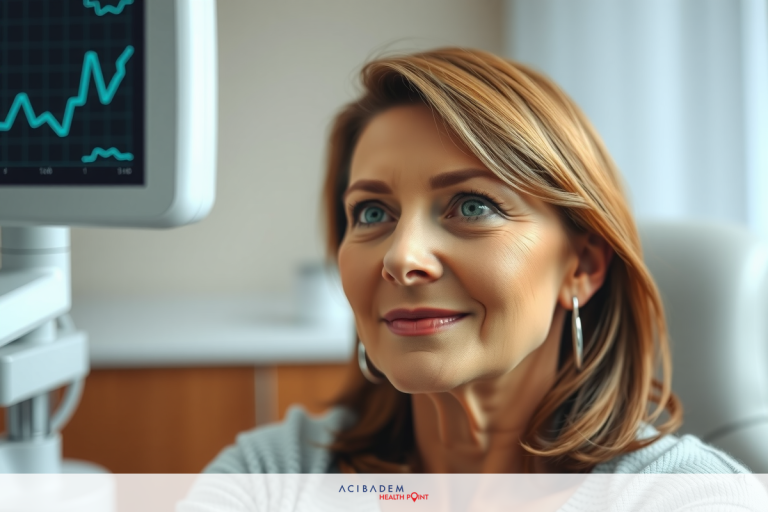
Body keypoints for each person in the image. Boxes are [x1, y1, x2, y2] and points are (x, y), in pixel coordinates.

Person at [203, 47, 757, 479]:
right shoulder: (278, 473)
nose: (401, 258)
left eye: (472, 206)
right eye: (372, 212)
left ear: (581, 268)